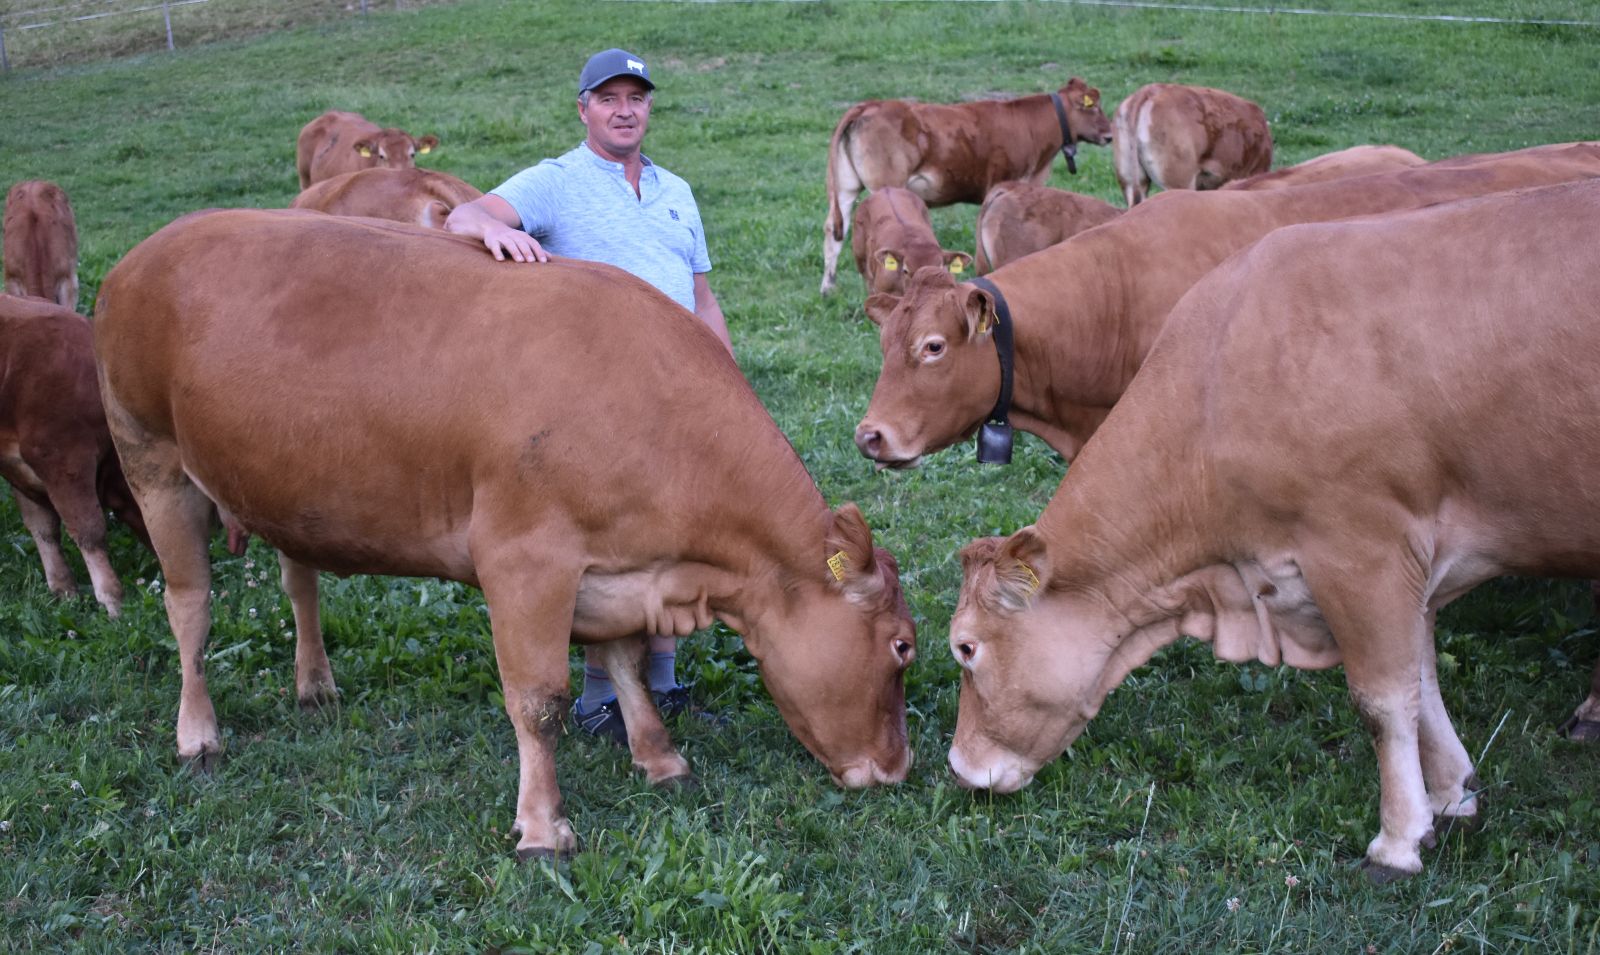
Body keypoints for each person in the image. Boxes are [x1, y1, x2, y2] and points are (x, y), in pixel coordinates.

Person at [445, 48, 732, 743]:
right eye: (609, 98)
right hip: (598, 406)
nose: (625, 109)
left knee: (675, 533)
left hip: (682, 397)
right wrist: (495, 229)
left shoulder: (677, 191)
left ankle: (663, 684)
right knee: (614, 543)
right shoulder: (557, 182)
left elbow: (700, 295)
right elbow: (463, 217)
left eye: (636, 97)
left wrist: (724, 380)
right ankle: (602, 695)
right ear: (584, 109)